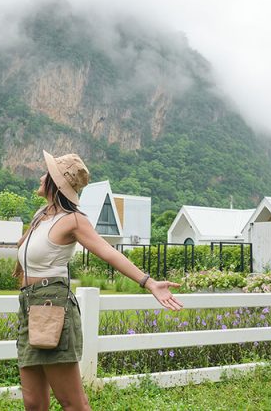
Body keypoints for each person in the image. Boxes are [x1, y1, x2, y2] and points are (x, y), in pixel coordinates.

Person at [15, 151, 182, 411]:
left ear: (57, 183)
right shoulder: (42, 215)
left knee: (73, 403)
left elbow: (108, 251)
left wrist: (148, 282)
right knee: (33, 403)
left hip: (51, 306)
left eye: (46, 173)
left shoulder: (73, 219)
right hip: (29, 305)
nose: (40, 176)